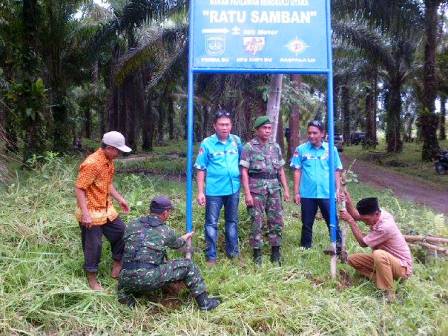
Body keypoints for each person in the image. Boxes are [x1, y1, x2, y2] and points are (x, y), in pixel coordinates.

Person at [118, 196, 221, 311]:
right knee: (188, 265)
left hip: (125, 278)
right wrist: (185, 238)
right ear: (165, 213)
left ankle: (127, 299)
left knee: (134, 275)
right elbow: (177, 245)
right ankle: (205, 303)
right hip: (147, 277)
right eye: (169, 211)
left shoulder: (132, 224)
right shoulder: (165, 230)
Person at [75, 131, 132, 290]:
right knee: (94, 245)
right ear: (109, 148)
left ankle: (117, 263)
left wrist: (120, 199)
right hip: (91, 211)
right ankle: (92, 279)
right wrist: (85, 214)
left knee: (121, 231)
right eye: (118, 150)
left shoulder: (109, 160)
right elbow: (80, 189)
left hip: (106, 209)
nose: (119, 153)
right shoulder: (92, 163)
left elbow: (107, 184)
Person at [339, 194, 413, 301]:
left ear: (376, 214)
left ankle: (389, 293)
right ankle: (383, 280)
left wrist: (351, 221)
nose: (364, 222)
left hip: (402, 268)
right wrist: (347, 200)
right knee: (352, 260)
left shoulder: (385, 226)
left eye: (366, 219)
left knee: (378, 254)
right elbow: (356, 215)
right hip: (386, 262)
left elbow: (363, 243)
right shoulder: (377, 213)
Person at [240, 116, 290, 265]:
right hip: (256, 189)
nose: (267, 131)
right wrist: (247, 194)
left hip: (274, 188)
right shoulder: (249, 147)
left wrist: (286, 190)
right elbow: (244, 172)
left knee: (276, 220)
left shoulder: (275, 147)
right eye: (264, 128)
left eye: (269, 128)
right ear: (257, 130)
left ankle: (275, 253)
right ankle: (257, 255)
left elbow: (280, 170)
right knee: (257, 221)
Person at [194, 110, 242, 265]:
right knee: (211, 223)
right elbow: (201, 168)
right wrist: (200, 191)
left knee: (232, 222)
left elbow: (242, 163)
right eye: (221, 124)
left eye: (227, 124)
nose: (224, 127)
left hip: (233, 189)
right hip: (214, 191)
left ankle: (233, 254)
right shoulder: (207, 143)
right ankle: (211, 257)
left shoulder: (236, 141)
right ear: (214, 126)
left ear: (231, 125)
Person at [290, 120, 343, 253]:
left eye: (315, 133)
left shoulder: (331, 150)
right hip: (308, 194)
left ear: (322, 133)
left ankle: (338, 247)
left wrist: (338, 189)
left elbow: (336, 170)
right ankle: (305, 248)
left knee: (332, 222)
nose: (312, 136)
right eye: (309, 133)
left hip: (327, 193)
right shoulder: (301, 149)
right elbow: (297, 170)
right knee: (307, 223)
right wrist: (296, 192)